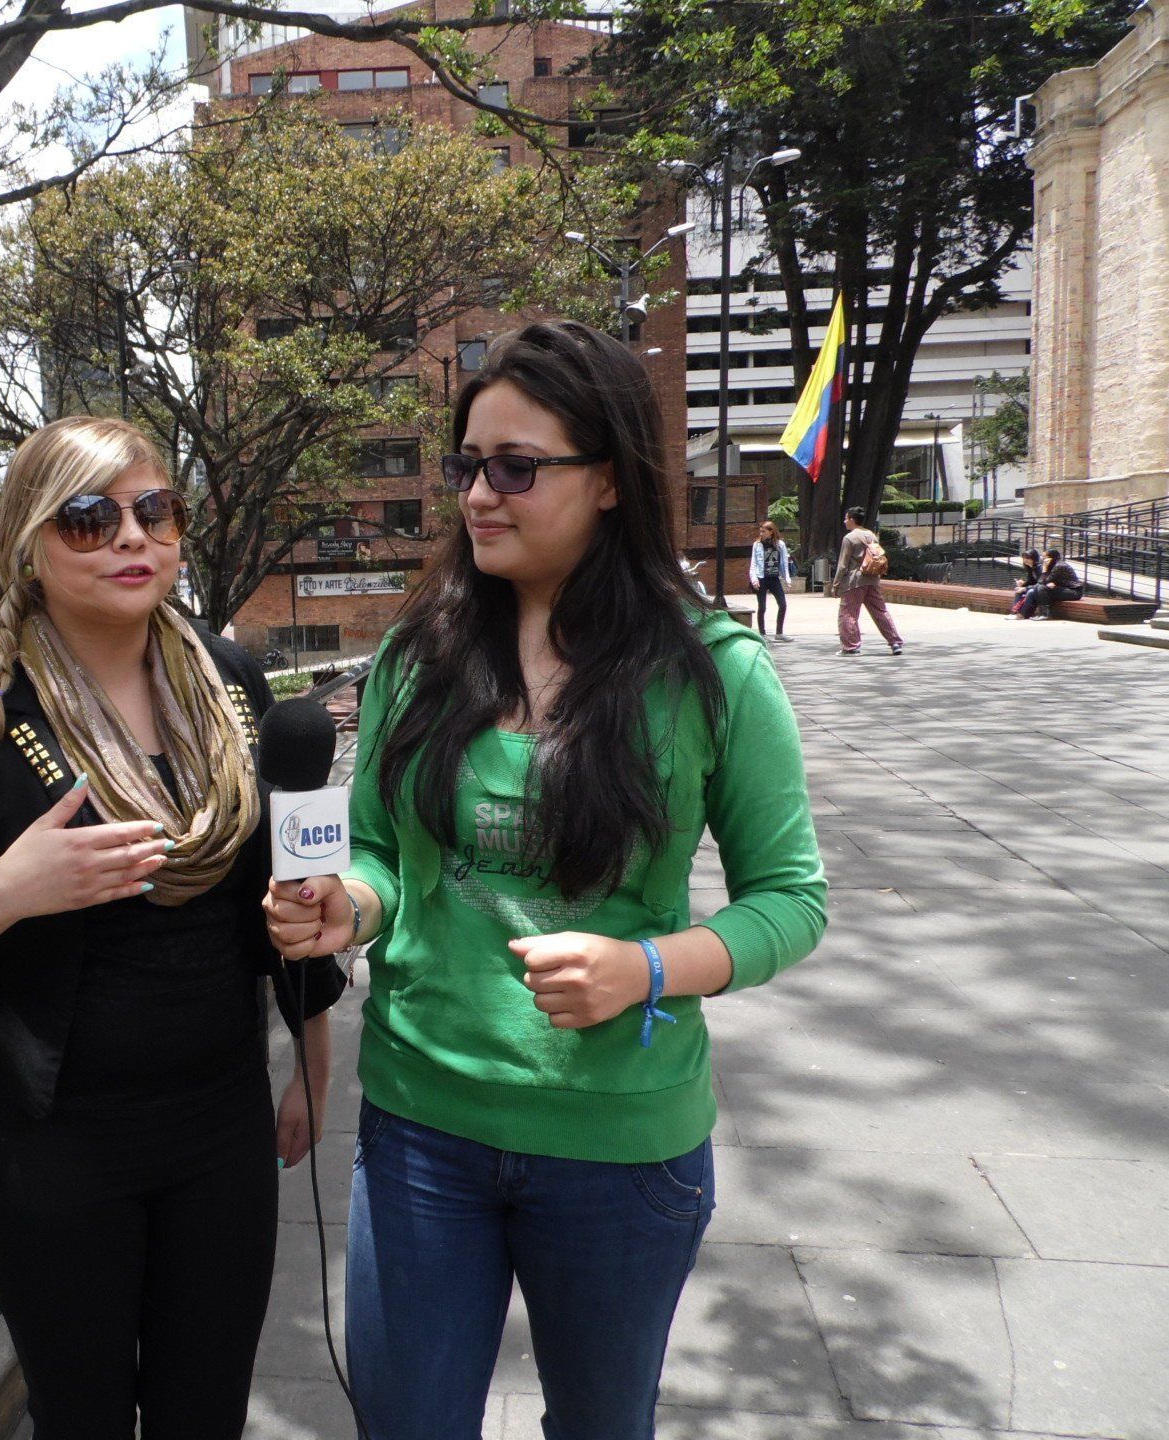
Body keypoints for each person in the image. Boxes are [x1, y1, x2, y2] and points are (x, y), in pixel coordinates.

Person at [263, 322, 829, 1440]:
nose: (480, 494)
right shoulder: (417, 655)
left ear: (609, 479)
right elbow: (378, 848)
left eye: (517, 467)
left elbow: (791, 898)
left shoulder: (714, 671)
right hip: (424, 1126)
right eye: (467, 465)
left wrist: (649, 967)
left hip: (622, 1153)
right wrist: (350, 908)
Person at [0, 415, 345, 1439]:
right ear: (29, 541)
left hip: (219, 1126)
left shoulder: (231, 684)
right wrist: (7, 889)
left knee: (202, 1415)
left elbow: (283, 902)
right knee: (79, 1422)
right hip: (48, 1148)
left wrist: (312, 1060)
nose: (132, 537)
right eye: (89, 518)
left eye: (152, 511)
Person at [828, 506, 905, 656]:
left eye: (846, 518)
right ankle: (895, 642)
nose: (844, 521)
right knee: (880, 611)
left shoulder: (849, 538)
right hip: (872, 578)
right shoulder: (871, 535)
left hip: (855, 581)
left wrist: (835, 584)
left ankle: (850, 647)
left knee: (848, 613)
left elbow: (843, 564)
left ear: (852, 519)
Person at [749, 518, 794, 641]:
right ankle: (762, 633)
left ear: (771, 532)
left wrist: (787, 579)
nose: (761, 534)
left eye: (763, 531)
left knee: (783, 604)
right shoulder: (757, 545)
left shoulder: (780, 545)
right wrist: (754, 579)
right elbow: (753, 563)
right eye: (761, 531)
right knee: (762, 607)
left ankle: (779, 633)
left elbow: (784, 563)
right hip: (761, 578)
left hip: (774, 578)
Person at [1017, 548, 1085, 619]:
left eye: (1045, 558)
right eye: (1042, 558)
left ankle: (1045, 614)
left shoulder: (1059, 566)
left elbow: (1042, 582)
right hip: (1063, 589)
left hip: (1074, 592)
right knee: (1039, 588)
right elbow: (1044, 581)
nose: (1043, 560)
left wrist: (1044, 569)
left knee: (1041, 588)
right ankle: (1038, 613)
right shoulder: (1052, 565)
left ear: (1052, 558)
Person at [1011, 548, 1043, 616]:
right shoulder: (1030, 568)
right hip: (1036, 587)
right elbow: (1031, 581)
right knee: (1019, 591)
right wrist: (1022, 585)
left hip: (1042, 589)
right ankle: (1014, 612)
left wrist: (1025, 588)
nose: (1025, 560)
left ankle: (1022, 614)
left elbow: (1041, 583)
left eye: (1028, 558)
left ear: (1034, 558)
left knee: (1030, 592)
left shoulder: (1040, 568)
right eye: (1024, 558)